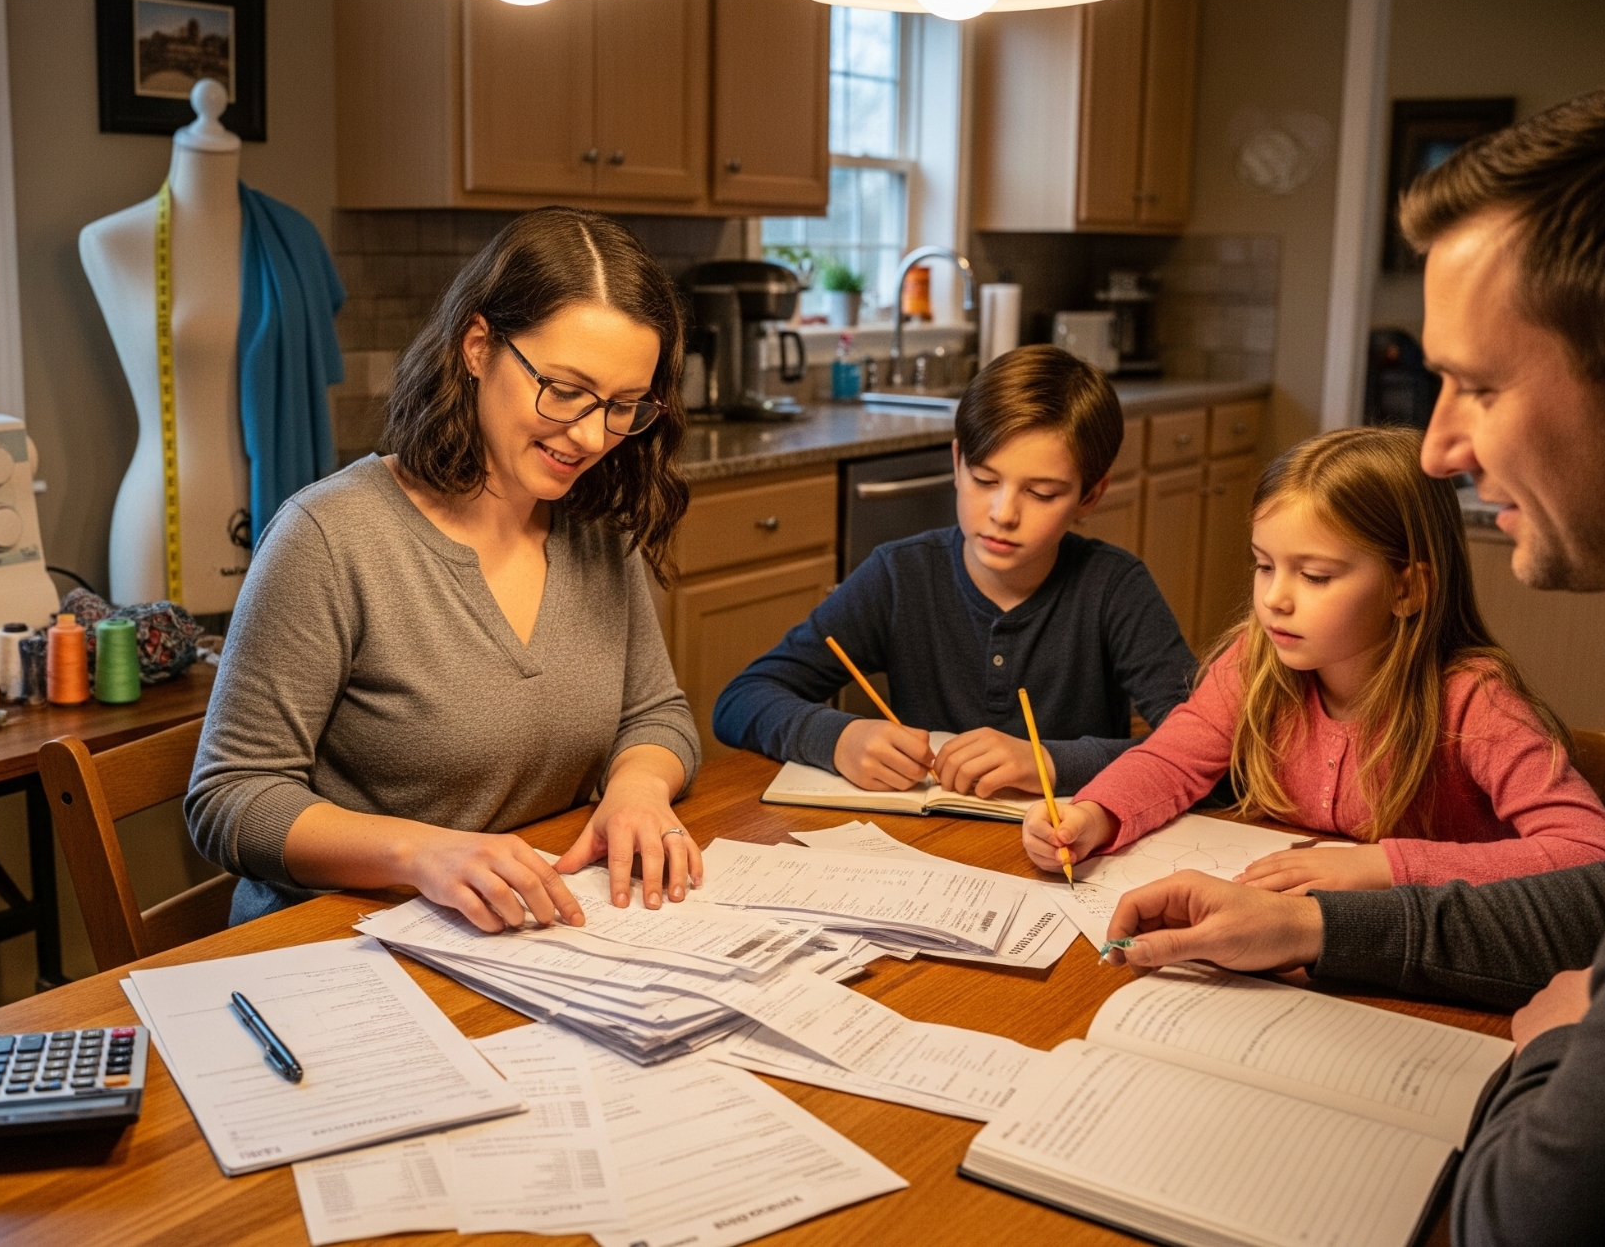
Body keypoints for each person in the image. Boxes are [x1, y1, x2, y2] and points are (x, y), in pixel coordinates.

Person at [1098, 73, 1605, 1241]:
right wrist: (1316, 928)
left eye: (1475, 385)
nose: (1436, 448)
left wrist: (1568, 1036)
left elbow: (1514, 1218)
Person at [186, 208, 702, 930]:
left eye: (622, 407)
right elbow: (230, 798)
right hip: (341, 943)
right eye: (564, 390)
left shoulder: (593, 527)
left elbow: (656, 714)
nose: (590, 436)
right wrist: (420, 853)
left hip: (526, 931)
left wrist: (639, 789)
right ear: (478, 345)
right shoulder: (331, 537)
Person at [1023, 427, 1605, 890]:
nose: (1274, 598)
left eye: (1314, 575)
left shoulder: (1473, 702)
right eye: (1264, 565)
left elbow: (1594, 857)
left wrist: (1379, 867)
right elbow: (1173, 760)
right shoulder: (1255, 660)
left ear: (1406, 588)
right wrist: (1095, 815)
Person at [711, 345, 1194, 797]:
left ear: (1090, 496)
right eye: (986, 480)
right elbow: (741, 700)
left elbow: (1214, 759)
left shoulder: (1114, 589)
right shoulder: (900, 576)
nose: (1003, 513)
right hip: (922, 854)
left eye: (1042, 493)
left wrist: (1049, 763)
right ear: (958, 462)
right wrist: (837, 738)